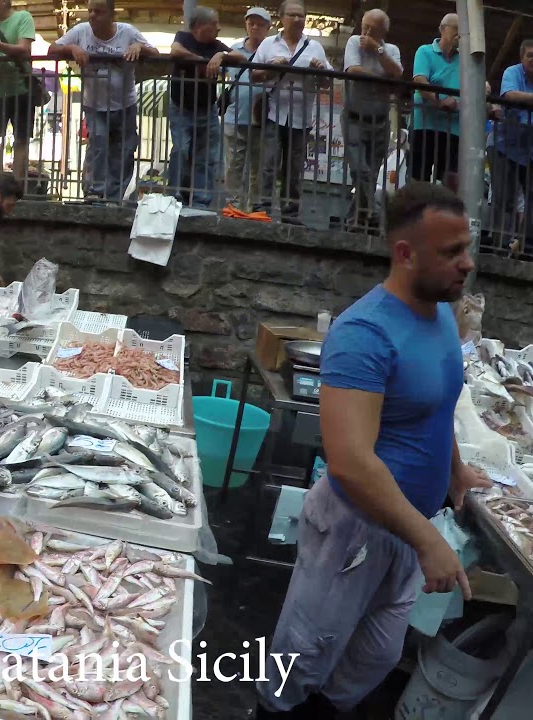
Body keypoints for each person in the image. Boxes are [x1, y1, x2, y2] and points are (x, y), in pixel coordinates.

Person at [256, 182, 489, 718]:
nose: (467, 264)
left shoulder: (440, 318)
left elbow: (434, 406)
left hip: (407, 529)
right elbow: (351, 462)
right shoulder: (365, 332)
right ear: (405, 254)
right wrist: (429, 539)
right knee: (304, 660)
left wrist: (455, 471)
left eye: (466, 247)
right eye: (451, 252)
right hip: (355, 528)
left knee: (370, 660)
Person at [49, 0, 156, 203]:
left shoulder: (127, 31)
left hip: (125, 104)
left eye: (98, 12)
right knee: (98, 145)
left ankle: (115, 195)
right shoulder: (81, 31)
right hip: (94, 105)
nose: (92, 15)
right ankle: (94, 191)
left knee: (124, 150)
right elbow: (52, 50)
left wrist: (138, 46)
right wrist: (72, 48)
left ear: (111, 15)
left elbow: (156, 53)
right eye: (90, 11)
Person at [251, 0, 331, 224]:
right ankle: (263, 209)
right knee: (269, 163)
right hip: (274, 113)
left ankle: (290, 212)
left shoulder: (315, 47)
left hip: (302, 117)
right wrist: (271, 68)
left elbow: (326, 83)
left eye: (301, 16)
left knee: (294, 168)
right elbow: (253, 75)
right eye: (293, 15)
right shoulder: (268, 44)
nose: (297, 20)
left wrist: (320, 71)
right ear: (282, 19)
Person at [167, 6, 241, 209]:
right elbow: (175, 50)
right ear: (200, 26)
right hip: (181, 108)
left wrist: (221, 57)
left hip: (207, 110)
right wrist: (202, 60)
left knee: (207, 156)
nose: (218, 28)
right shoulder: (184, 37)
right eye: (214, 23)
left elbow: (240, 57)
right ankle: (175, 196)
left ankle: (201, 200)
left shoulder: (217, 45)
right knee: (181, 150)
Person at [342, 9, 402, 233]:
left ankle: (356, 220)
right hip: (354, 118)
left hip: (380, 120)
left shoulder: (391, 50)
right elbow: (354, 70)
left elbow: (396, 73)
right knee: (361, 171)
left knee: (371, 173)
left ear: (383, 32)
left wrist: (377, 51)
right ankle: (373, 214)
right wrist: (382, 81)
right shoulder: (353, 42)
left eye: (372, 29)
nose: (365, 32)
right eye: (364, 26)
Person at [0, 0, 38, 188]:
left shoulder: (23, 17)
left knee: (21, 138)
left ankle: (16, 186)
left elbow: (24, 49)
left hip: (22, 88)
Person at [223, 7, 272, 210]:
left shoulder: (271, 51)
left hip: (263, 117)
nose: (255, 28)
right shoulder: (235, 49)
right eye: (251, 23)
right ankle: (233, 206)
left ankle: (255, 207)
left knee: (258, 167)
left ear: (268, 28)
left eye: (260, 25)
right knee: (233, 165)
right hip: (235, 116)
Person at [489, 40, 533, 254]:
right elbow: (509, 95)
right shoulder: (513, 72)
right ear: (522, 57)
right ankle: (500, 243)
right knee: (504, 198)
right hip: (504, 146)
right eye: (530, 56)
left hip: (529, 150)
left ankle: (527, 245)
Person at [410, 14, 462, 186]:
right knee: (419, 177)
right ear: (442, 28)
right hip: (425, 124)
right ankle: (416, 212)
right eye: (456, 29)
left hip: (452, 129)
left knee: (447, 180)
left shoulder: (464, 60)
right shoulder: (424, 51)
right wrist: (440, 102)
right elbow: (420, 82)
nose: (459, 35)